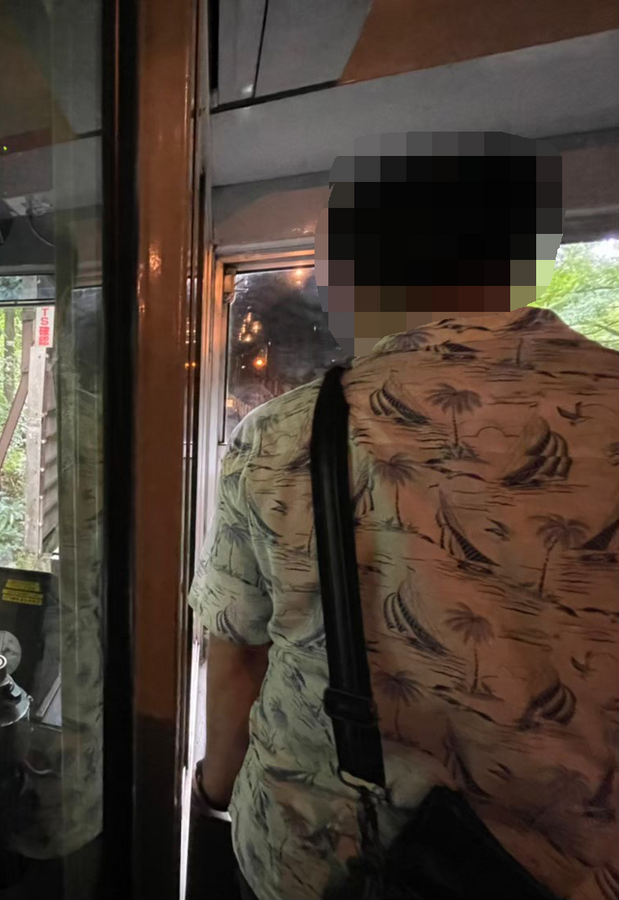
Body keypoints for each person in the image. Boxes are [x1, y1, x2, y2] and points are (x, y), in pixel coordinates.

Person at [189, 132, 619, 899]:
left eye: (334, 258)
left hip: (317, 862)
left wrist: (214, 792)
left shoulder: (288, 432)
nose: (324, 281)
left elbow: (236, 659)